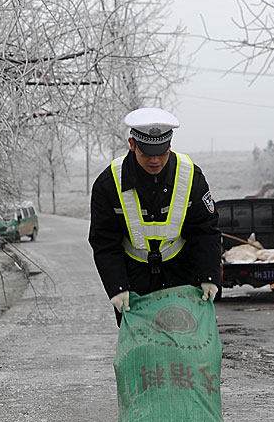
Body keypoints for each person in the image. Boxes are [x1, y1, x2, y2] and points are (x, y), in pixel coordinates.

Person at [88, 107, 221, 323]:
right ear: (132, 145)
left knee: (185, 344)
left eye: (162, 153)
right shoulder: (108, 184)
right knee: (142, 351)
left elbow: (205, 231)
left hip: (181, 273)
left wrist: (209, 276)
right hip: (133, 279)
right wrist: (117, 287)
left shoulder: (191, 177)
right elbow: (104, 242)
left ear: (170, 145)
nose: (155, 161)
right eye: (147, 154)